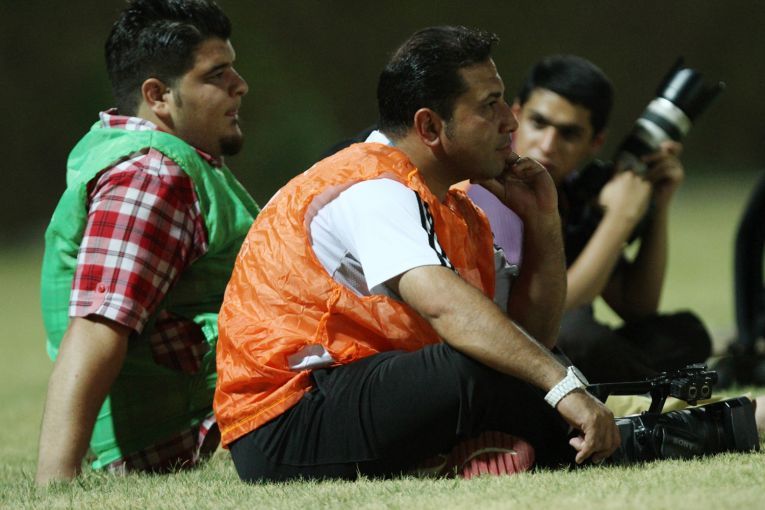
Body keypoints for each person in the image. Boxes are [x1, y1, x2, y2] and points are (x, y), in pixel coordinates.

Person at [214, 26, 621, 482]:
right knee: (480, 364)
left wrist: (543, 221)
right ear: (429, 126)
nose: (510, 121)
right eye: (489, 105)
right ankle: (592, 446)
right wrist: (564, 387)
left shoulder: (451, 204)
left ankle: (480, 451)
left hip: (348, 392)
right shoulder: (372, 188)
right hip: (284, 421)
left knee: (512, 353)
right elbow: (448, 310)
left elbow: (531, 337)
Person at [36, 0, 259, 484]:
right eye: (216, 74)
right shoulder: (151, 174)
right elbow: (98, 324)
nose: (239, 85)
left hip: (191, 421)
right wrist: (55, 486)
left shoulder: (144, 154)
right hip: (181, 437)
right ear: (158, 95)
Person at [467, 55, 712, 383]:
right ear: (516, 114)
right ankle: (657, 384)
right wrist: (619, 219)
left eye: (568, 134)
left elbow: (636, 306)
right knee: (578, 335)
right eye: (539, 123)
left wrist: (658, 203)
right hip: (498, 351)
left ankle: (637, 380)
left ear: (595, 142)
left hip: (556, 348)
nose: (548, 145)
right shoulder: (489, 183)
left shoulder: (569, 190)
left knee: (684, 332)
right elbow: (539, 318)